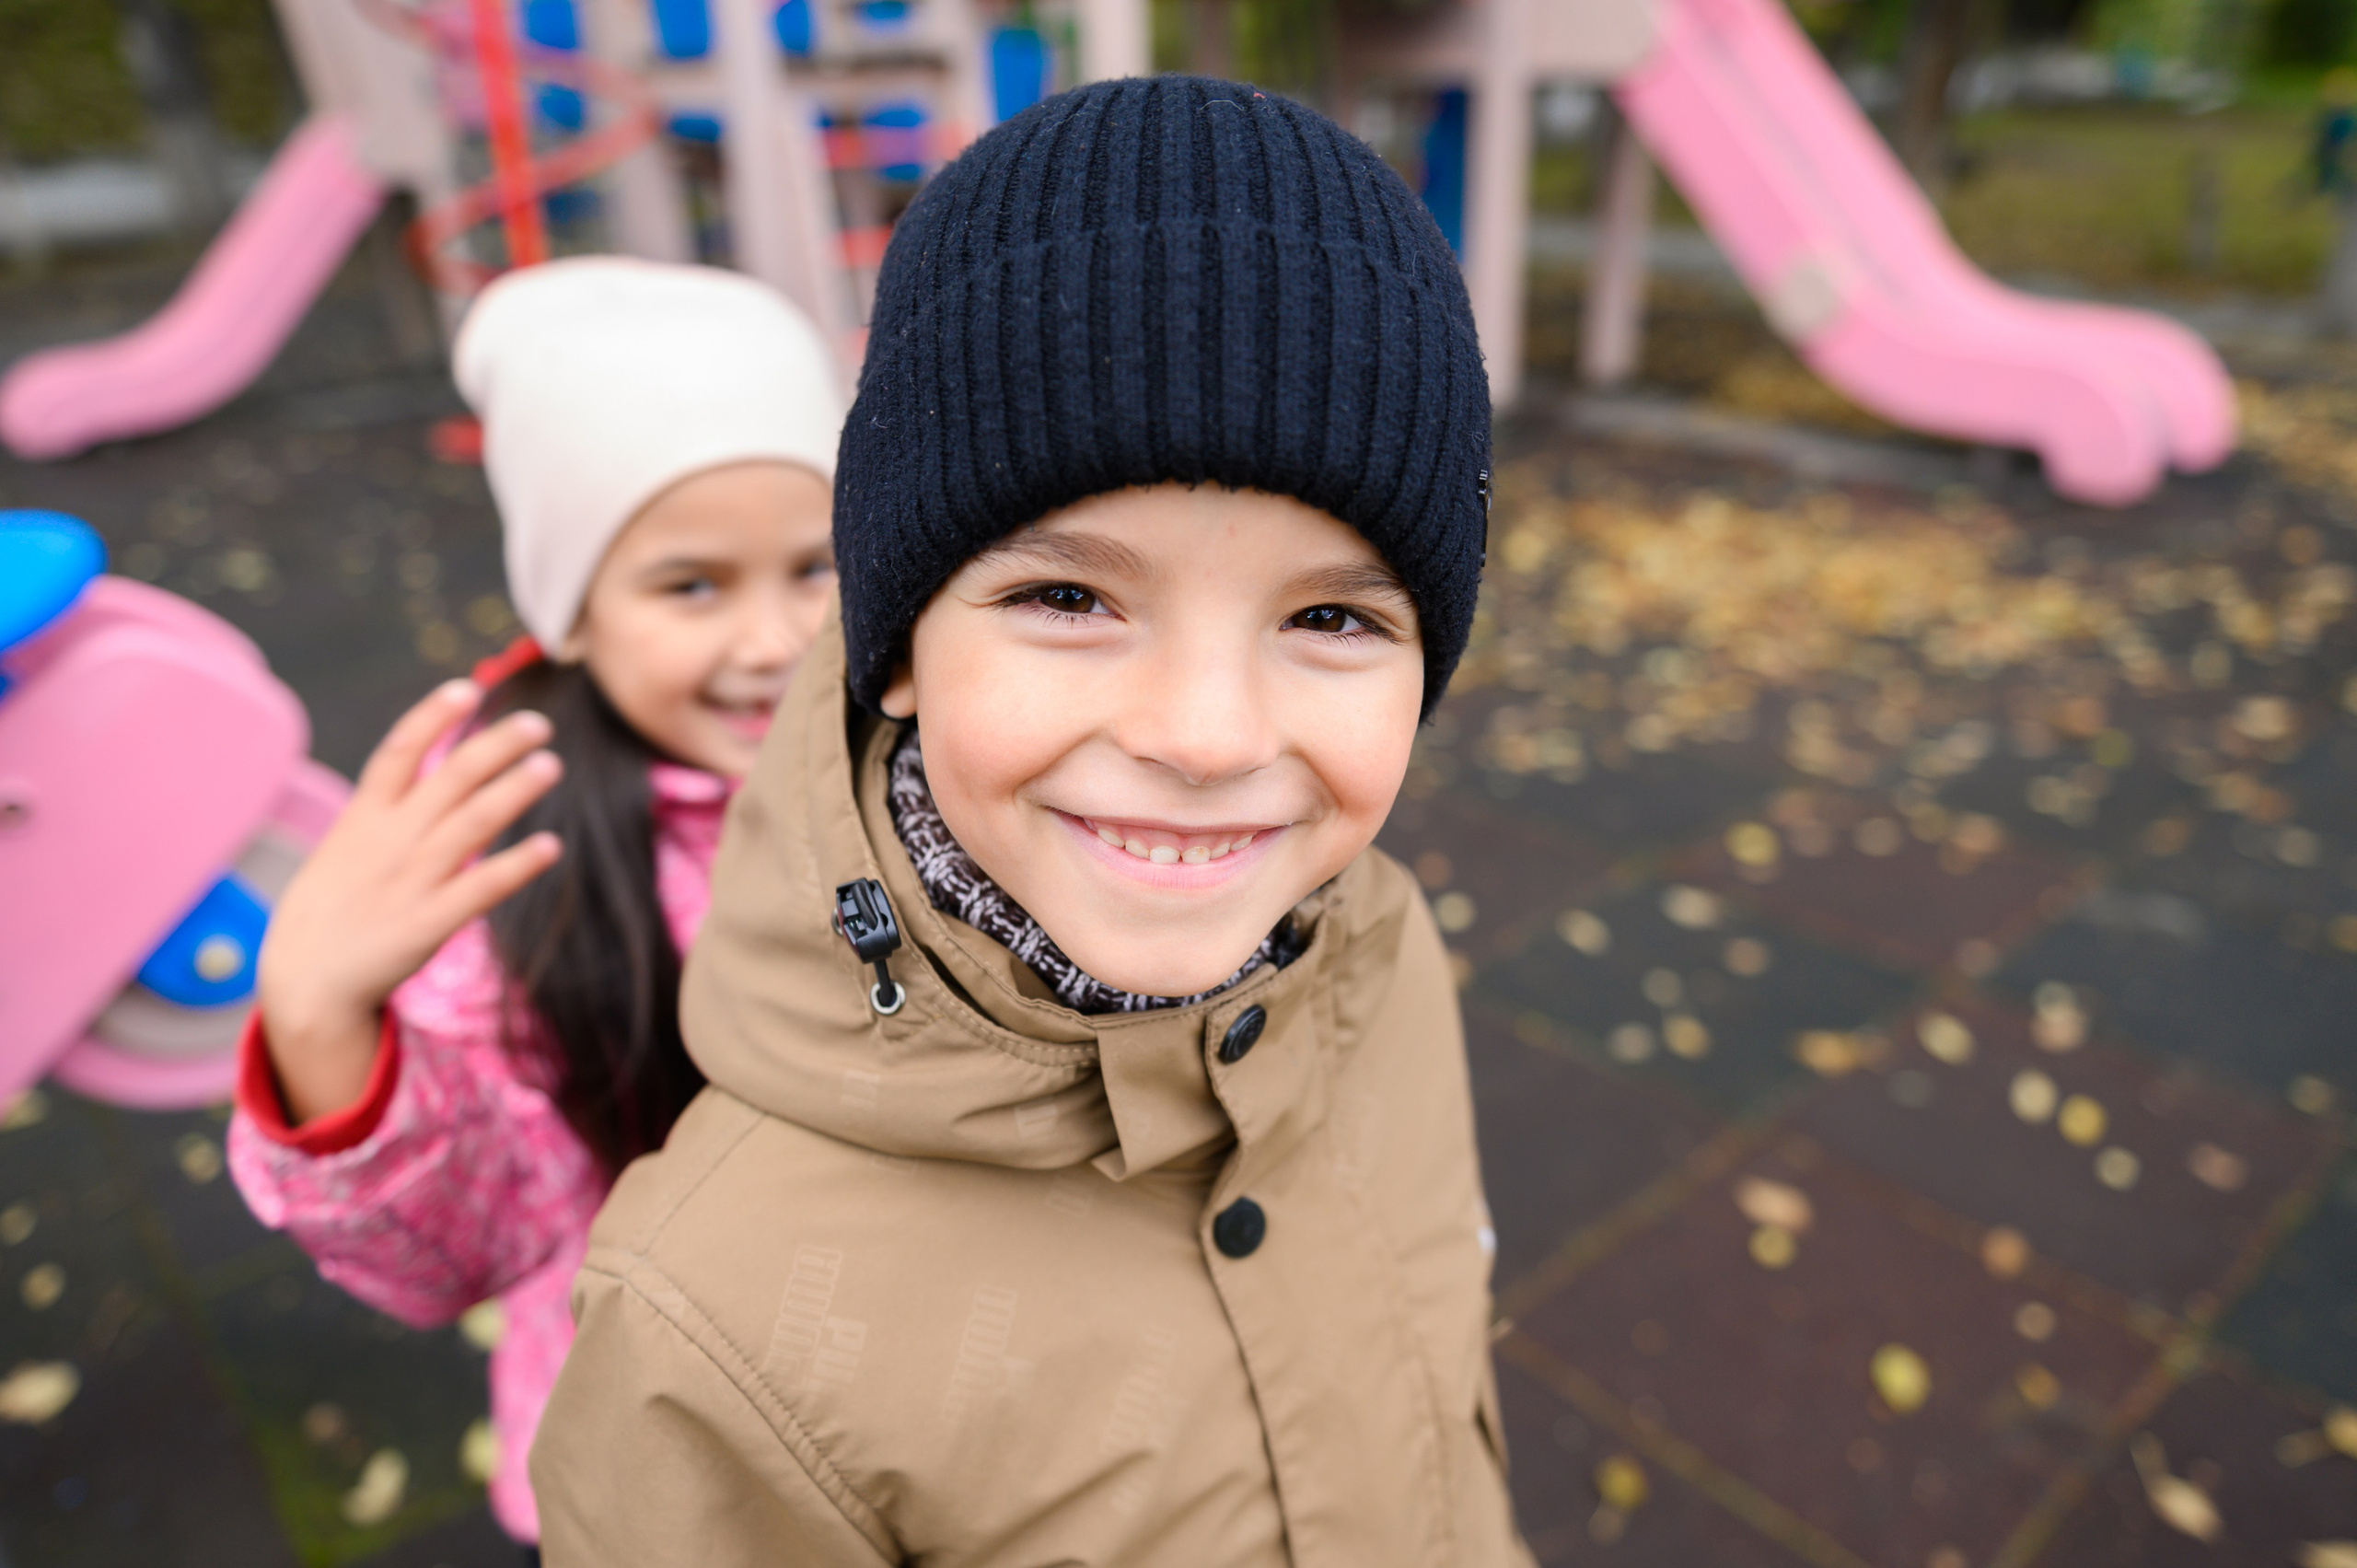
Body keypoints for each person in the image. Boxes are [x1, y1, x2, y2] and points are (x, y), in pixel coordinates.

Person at [533, 77, 1530, 1568]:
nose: (1205, 736)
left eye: (1328, 616)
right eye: (1068, 598)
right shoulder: (712, 1329)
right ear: (900, 646)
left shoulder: (1380, 965)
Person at [226, 257, 845, 1548]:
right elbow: (463, 1246)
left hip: (907, 1430)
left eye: (814, 565)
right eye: (692, 584)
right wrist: (323, 1024)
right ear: (571, 611)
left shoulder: (925, 762)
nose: (776, 638)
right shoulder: (510, 850)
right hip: (643, 1473)